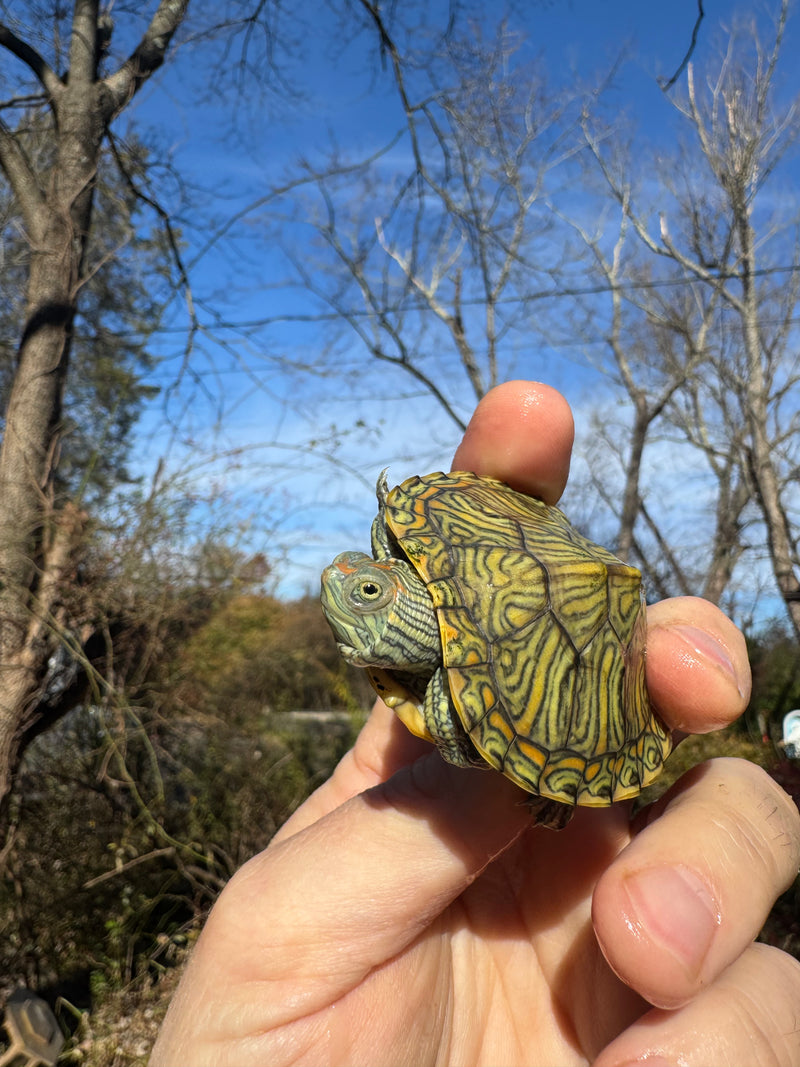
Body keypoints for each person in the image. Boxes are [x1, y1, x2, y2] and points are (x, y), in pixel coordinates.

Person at [151, 381, 800, 1067]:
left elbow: (482, 707)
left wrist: (546, 776)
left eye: (372, 592)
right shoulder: (424, 706)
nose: (351, 585)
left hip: (572, 695)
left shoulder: (456, 707)